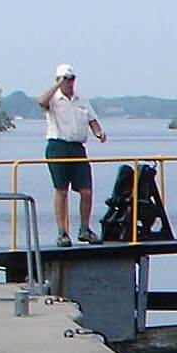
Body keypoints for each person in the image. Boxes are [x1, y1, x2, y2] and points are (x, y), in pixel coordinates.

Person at [38, 63, 106, 247]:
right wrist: (56, 86)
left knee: (86, 191)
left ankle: (84, 229)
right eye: (65, 79)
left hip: (77, 148)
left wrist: (99, 133)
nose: (69, 83)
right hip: (58, 146)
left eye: (71, 79)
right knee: (61, 190)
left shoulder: (81, 100)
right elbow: (41, 102)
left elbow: (93, 120)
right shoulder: (53, 99)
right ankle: (62, 232)